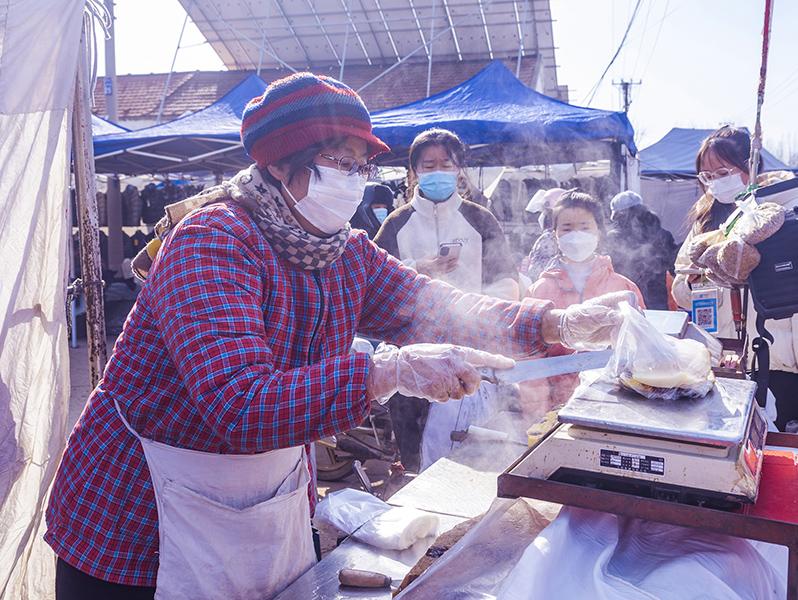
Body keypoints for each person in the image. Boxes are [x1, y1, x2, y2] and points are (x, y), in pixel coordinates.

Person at [44, 72, 636, 600]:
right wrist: (387, 372)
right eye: (338, 161)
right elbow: (240, 402)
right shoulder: (215, 239)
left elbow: (441, 307)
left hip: (261, 496)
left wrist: (555, 323)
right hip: (138, 513)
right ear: (278, 164)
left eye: (362, 164)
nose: (353, 179)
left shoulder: (345, 252)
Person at [671, 126, 798, 431]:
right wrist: (696, 280)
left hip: (779, 364)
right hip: (724, 362)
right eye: (706, 176)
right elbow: (682, 290)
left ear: (750, 166)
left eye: (721, 171)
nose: (713, 182)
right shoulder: (706, 219)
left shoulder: (786, 211)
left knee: (781, 460)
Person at [373, 127, 521, 471]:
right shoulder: (397, 223)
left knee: (471, 458)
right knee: (415, 459)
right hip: (410, 360)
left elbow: (508, 280)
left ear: (459, 169)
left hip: (471, 355)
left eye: (446, 163)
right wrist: (416, 267)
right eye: (428, 164)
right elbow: (373, 287)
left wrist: (473, 309)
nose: (437, 171)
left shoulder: (479, 218)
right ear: (414, 172)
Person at [519, 191, 645, 416]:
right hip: (558, 410)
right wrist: (538, 415)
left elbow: (642, 353)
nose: (576, 235)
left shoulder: (624, 288)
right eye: (567, 228)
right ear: (555, 235)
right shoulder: (539, 291)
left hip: (616, 406)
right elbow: (529, 364)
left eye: (585, 227)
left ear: (598, 233)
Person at [603, 190, 678, 310]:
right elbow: (675, 266)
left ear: (621, 212)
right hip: (657, 301)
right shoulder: (662, 234)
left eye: (617, 215)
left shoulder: (613, 237)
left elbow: (606, 270)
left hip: (625, 299)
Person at [524, 187, 566, 280]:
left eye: (544, 210)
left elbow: (535, 273)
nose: (542, 214)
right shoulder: (567, 234)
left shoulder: (549, 237)